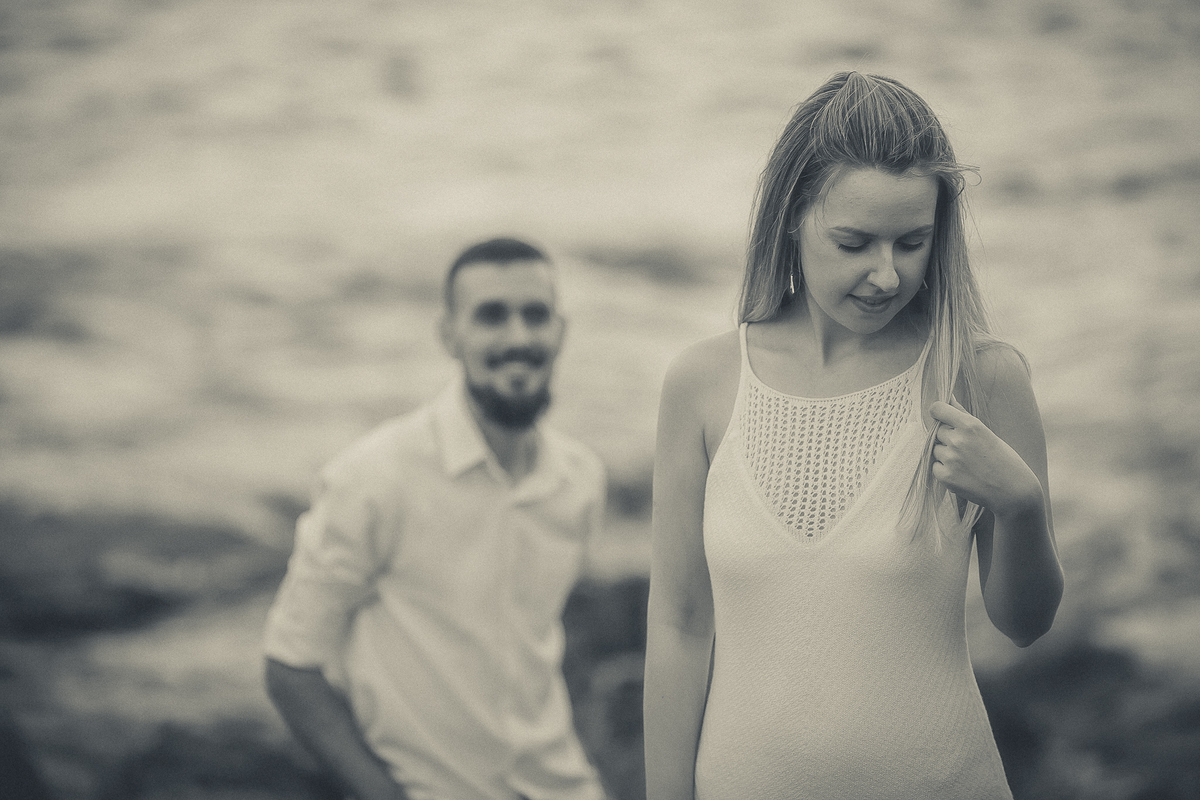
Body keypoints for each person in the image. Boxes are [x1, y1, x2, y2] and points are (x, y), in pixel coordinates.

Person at [643, 72, 1065, 800]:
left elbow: (1024, 624)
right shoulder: (703, 383)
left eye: (912, 242)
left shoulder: (979, 378)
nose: (885, 274)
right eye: (854, 242)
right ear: (791, 220)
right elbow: (680, 623)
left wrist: (1019, 506)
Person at [264, 237, 609, 800]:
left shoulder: (579, 481)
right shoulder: (375, 478)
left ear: (561, 332)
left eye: (535, 315)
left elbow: (540, 643)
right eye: (491, 316)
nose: (519, 338)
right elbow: (289, 666)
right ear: (449, 333)